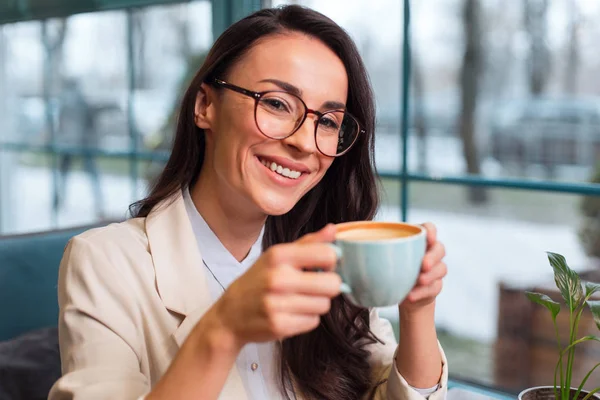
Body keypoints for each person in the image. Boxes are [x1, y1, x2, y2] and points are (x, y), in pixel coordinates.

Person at [49, 5, 449, 400]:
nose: (304, 142)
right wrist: (223, 329)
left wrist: (417, 312)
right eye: (276, 103)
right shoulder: (104, 262)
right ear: (205, 106)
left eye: (327, 122)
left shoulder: (333, 254)